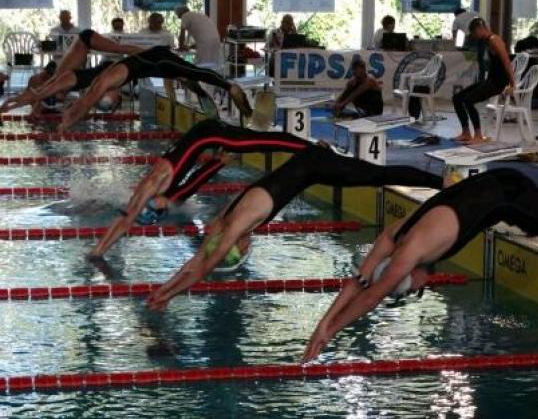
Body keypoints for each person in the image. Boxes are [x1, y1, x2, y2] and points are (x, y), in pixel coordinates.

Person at [303, 168, 538, 361]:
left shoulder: (410, 253)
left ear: (406, 274)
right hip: (495, 185)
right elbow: (359, 281)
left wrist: (332, 331)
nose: (419, 289)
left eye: (413, 290)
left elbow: (371, 296)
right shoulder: (392, 236)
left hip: (510, 194)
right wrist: (322, 326)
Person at [145, 146, 443, 311]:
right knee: (373, 175)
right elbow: (195, 261)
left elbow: (203, 268)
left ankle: (441, 182)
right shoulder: (224, 220)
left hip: (315, 164)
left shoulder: (235, 225)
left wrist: (170, 296)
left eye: (243, 251)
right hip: (308, 166)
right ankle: (439, 182)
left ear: (233, 244)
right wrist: (164, 289)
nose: (249, 248)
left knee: (376, 175)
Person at [90, 120, 314, 257]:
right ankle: (304, 147)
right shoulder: (158, 196)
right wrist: (99, 249)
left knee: (253, 143)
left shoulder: (153, 184)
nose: (164, 205)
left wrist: (217, 162)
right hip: (204, 137)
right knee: (248, 142)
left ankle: (309, 147)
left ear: (152, 204)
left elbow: (128, 220)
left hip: (208, 132)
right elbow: (125, 220)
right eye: (162, 208)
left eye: (160, 208)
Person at [57, 44, 253, 131]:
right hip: (155, 67)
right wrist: (71, 114)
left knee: (194, 72)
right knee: (188, 76)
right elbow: (84, 102)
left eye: (115, 100)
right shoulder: (102, 84)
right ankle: (201, 92)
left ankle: (230, 87)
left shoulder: (103, 83)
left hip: (159, 59)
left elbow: (85, 103)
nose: (119, 99)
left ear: (107, 95)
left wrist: (67, 122)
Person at [0, 30, 143, 115]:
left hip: (85, 41)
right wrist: (12, 104)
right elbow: (35, 95)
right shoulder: (71, 84)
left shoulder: (67, 82)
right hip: (86, 45)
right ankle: (149, 53)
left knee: (119, 49)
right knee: (119, 49)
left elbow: (34, 95)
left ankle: (149, 53)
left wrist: (11, 103)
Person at [452, 18, 514, 143]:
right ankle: (466, 133)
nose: (474, 36)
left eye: (474, 33)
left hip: (498, 83)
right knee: (457, 98)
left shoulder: (494, 39)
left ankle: (478, 135)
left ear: (480, 28)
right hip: (490, 80)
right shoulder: (486, 41)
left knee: (468, 100)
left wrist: (512, 84)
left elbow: (507, 62)